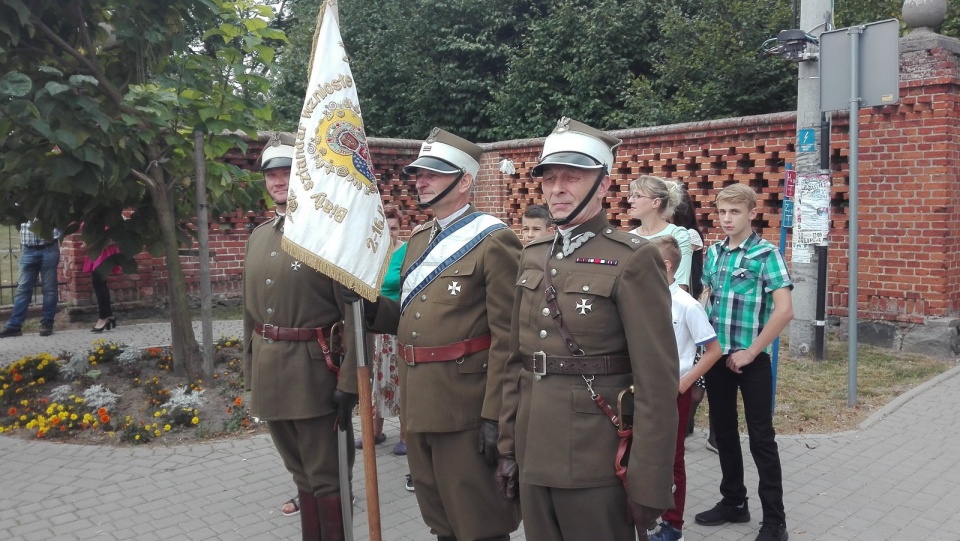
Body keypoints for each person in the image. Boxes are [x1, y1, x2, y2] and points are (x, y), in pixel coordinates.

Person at [496, 117, 679, 541]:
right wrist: (508, 446)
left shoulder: (634, 259)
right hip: (533, 448)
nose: (557, 188)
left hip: (595, 457)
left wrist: (649, 479)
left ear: (603, 185)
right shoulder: (533, 255)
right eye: (550, 177)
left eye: (572, 177)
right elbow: (513, 363)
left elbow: (656, 381)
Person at [364, 128, 522, 541]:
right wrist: (366, 306)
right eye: (418, 173)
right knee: (439, 519)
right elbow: (407, 317)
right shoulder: (419, 240)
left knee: (478, 521)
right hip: (419, 400)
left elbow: (509, 339)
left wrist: (496, 418)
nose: (420, 181)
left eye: (432, 173)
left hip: (465, 408)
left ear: (464, 181)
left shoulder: (495, 240)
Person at [242, 133, 358, 541]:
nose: (277, 180)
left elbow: (354, 315)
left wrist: (350, 385)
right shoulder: (258, 237)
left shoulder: (327, 236)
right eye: (270, 174)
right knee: (300, 475)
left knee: (327, 479)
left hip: (315, 378)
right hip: (271, 374)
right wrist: (250, 370)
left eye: (286, 172)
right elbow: (249, 314)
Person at [694, 183, 794, 541]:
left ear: (752, 213)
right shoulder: (714, 253)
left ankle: (774, 520)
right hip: (718, 357)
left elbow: (784, 312)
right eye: (722, 212)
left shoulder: (766, 255)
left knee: (761, 438)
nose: (726, 219)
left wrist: (751, 351)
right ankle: (734, 502)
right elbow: (705, 300)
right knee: (723, 432)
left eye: (734, 212)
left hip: (752, 360)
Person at [646, 235, 722, 541]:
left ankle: (672, 524)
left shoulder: (687, 305)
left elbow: (714, 350)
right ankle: (642, 512)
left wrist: (685, 383)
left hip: (673, 393)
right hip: (642, 391)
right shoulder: (642, 299)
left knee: (673, 458)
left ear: (665, 266)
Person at [355, 205, 408, 459]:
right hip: (374, 326)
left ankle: (406, 436)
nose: (391, 233)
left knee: (399, 377)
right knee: (375, 377)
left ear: (400, 229)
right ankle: (375, 432)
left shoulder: (406, 252)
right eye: (386, 228)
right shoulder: (372, 252)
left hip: (397, 323)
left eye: (395, 228)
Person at [674, 191, 716, 449]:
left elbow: (692, 277)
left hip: (689, 309)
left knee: (696, 379)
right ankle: (687, 426)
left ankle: (690, 426)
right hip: (686, 308)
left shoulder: (687, 235)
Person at [626, 176, 693, 291]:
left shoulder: (678, 235)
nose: (630, 200)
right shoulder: (629, 236)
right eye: (631, 195)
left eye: (637, 196)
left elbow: (681, 285)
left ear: (655, 202)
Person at [0, 221, 61, 338]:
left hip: (49, 247)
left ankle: (47, 323)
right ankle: (14, 325)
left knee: (49, 289)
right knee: (23, 289)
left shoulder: (50, 203)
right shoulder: (22, 202)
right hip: (28, 249)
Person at [81, 227, 121, 333]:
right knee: (100, 283)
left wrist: (90, 243)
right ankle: (109, 315)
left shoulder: (102, 214)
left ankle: (103, 317)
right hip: (95, 249)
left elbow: (106, 233)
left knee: (98, 282)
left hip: (101, 248)